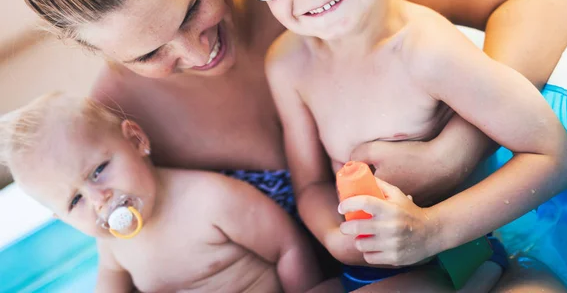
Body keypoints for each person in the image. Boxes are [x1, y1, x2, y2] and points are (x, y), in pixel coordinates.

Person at [0, 0, 567, 289]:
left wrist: (457, 150)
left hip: (458, 227)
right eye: (149, 54)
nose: (195, 51)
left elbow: (543, 1)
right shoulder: (121, 125)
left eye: (191, 8)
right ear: (93, 48)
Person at [218, 0, 567, 291]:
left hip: (465, 248)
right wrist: (335, 239)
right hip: (368, 270)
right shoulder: (287, 66)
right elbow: (311, 186)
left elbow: (553, 156)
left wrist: (432, 229)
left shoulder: (426, 51)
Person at [0, 92, 337, 293]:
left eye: (98, 171)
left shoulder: (210, 200)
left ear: (136, 140)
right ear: (60, 219)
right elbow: (111, 283)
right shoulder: (113, 243)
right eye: (75, 201)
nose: (98, 198)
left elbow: (288, 246)